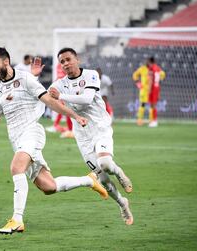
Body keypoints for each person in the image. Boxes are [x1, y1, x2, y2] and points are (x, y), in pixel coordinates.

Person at [0, 47, 108, 234]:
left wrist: (74, 116)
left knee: (16, 167)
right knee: (48, 187)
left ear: (5, 62)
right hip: (17, 139)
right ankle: (89, 180)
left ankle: (17, 219)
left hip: (32, 132)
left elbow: (50, 102)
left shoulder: (26, 78)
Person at [48, 47, 133, 225]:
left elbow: (86, 98)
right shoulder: (58, 84)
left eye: (68, 59)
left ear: (77, 59)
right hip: (82, 135)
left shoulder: (91, 75)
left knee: (106, 164)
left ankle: (119, 172)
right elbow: (47, 98)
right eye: (62, 61)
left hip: (100, 126)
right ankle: (122, 203)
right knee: (102, 177)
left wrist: (61, 96)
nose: (65, 64)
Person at [45, 63, 74, 138]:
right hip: (59, 88)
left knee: (65, 109)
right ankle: (67, 128)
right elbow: (59, 77)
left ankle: (70, 129)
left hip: (65, 89)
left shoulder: (67, 65)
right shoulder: (58, 65)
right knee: (61, 108)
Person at [147, 57, 166, 128]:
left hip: (153, 88)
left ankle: (154, 121)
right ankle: (153, 120)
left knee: (153, 105)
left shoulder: (151, 68)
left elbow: (151, 79)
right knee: (153, 105)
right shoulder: (158, 68)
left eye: (148, 62)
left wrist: (149, 89)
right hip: (157, 87)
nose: (147, 63)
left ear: (150, 61)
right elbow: (161, 77)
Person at [132, 61, 150, 126]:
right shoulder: (142, 68)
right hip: (144, 91)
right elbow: (135, 74)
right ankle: (139, 120)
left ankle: (152, 120)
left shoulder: (153, 69)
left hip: (151, 90)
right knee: (142, 104)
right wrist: (137, 83)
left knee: (152, 105)